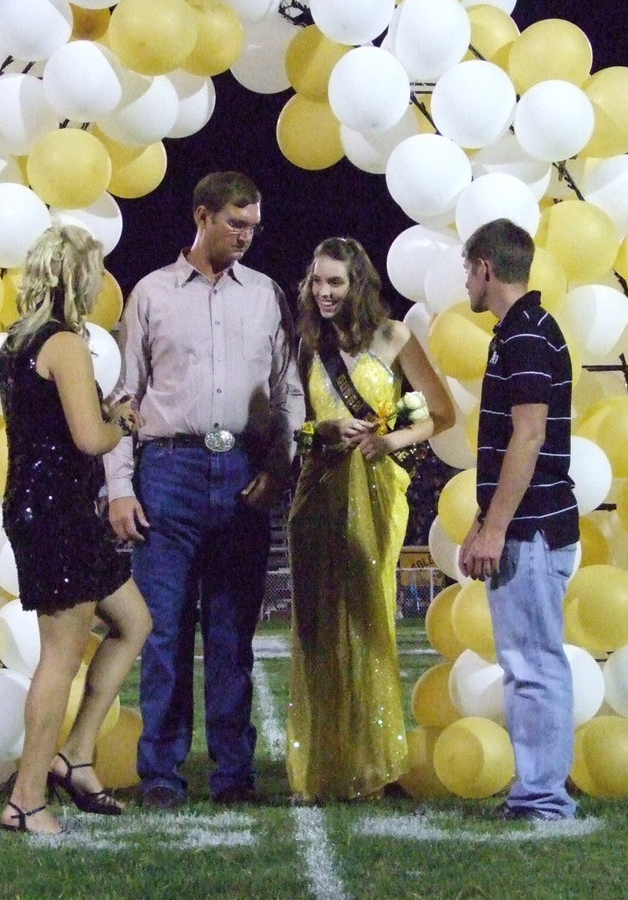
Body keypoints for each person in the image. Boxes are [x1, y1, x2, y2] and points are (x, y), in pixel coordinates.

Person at [105, 171, 305, 809]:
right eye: (234, 224)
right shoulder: (151, 294)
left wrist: (279, 466)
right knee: (162, 635)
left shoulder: (267, 295)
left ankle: (233, 776)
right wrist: (118, 487)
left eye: (252, 225)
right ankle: (161, 777)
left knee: (230, 636)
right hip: (168, 472)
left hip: (244, 474)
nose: (246, 236)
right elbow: (123, 398)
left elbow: (288, 393)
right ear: (202, 216)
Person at [0, 224, 152, 835]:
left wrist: (103, 414)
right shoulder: (64, 343)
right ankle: (26, 799)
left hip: (39, 505)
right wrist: (122, 427)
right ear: (77, 277)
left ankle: (75, 756)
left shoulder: (18, 341)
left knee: (134, 621)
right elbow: (89, 440)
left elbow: (54, 427)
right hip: (59, 511)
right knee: (59, 659)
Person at [285, 237, 453, 802]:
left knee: (370, 616)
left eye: (336, 282)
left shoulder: (395, 336)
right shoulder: (306, 343)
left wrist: (391, 438)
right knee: (318, 626)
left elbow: (440, 413)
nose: (325, 292)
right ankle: (326, 765)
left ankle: (375, 763)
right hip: (318, 490)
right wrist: (323, 433)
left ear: (359, 283)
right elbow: (295, 431)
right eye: (317, 282)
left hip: (380, 488)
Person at [458, 218, 579, 822]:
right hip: (528, 525)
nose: (465, 282)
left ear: (484, 268)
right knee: (529, 663)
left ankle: (543, 800)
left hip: (533, 529)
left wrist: (496, 526)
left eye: (467, 269)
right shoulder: (521, 331)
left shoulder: (526, 333)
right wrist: (484, 522)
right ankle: (538, 794)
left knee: (534, 665)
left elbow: (528, 436)